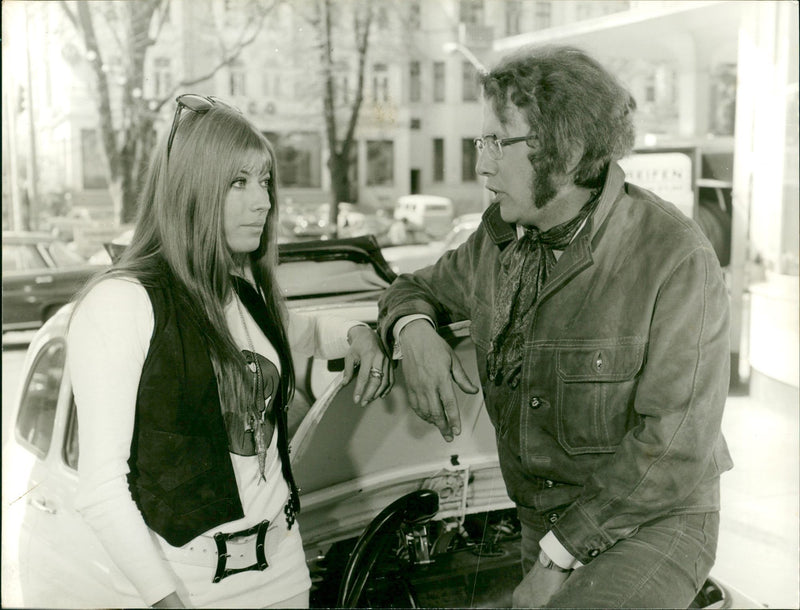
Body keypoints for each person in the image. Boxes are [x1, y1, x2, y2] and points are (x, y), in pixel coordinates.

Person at [377, 45, 732, 608]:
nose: (482, 165)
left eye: (498, 142)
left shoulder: (673, 255)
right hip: (543, 523)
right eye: (481, 143)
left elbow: (674, 447)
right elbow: (411, 287)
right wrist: (413, 330)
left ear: (564, 152)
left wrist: (558, 556)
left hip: (652, 521)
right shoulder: (496, 243)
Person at [67, 94, 392, 609]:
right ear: (190, 189)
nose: (263, 202)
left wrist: (359, 332)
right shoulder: (122, 302)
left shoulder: (239, 290)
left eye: (264, 181)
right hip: (186, 584)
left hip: (283, 566)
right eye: (238, 182)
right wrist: (166, 600)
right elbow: (101, 488)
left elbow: (304, 331)